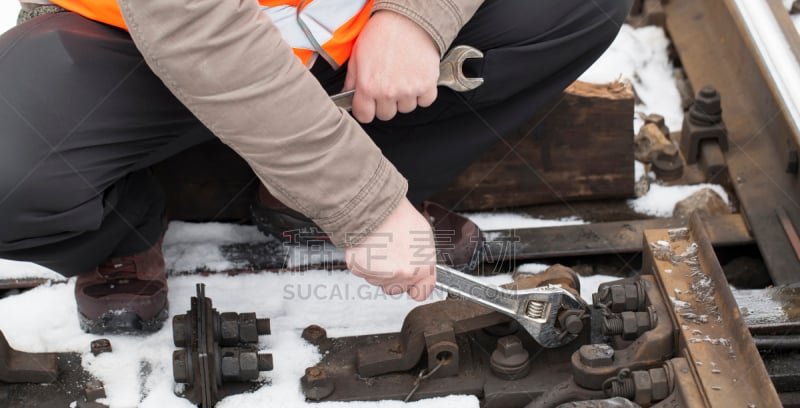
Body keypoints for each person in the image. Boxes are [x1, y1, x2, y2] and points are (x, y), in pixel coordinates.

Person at [0, 0, 632, 334]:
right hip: (132, 43)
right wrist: (365, 204)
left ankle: (303, 193)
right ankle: (125, 227)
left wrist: (415, 18)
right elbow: (195, 27)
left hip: (343, 36)